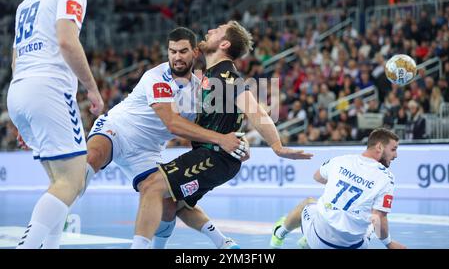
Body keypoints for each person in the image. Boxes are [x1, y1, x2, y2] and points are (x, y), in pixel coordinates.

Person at [132, 20, 314, 249]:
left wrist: (276, 146)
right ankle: (225, 245)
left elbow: (255, 110)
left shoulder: (226, 75)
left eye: (216, 31)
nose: (209, 31)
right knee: (172, 204)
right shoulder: (209, 75)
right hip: (214, 156)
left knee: (151, 186)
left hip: (215, 157)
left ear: (225, 43)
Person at [85, 27, 247, 249]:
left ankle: (221, 242)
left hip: (148, 150)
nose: (177, 57)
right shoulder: (157, 76)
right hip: (118, 129)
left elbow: (210, 126)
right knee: (91, 158)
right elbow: (173, 123)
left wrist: (238, 143)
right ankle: (56, 220)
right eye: (172, 51)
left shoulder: (201, 90)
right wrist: (222, 139)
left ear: (195, 53)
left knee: (169, 202)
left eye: (183, 51)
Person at [7, 0, 104, 249]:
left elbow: (14, 59)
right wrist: (92, 88)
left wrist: (26, 118)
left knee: (61, 182)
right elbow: (66, 40)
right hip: (48, 89)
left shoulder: (28, 0)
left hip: (19, 87)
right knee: (72, 181)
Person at [270, 128, 406, 249]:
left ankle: (279, 234)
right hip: (355, 246)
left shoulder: (341, 160)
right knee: (371, 219)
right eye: (393, 149)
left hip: (319, 239)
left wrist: (341, 181)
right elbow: (379, 218)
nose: (396, 155)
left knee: (309, 202)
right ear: (379, 147)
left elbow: (317, 176)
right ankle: (305, 241)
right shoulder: (387, 178)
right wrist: (389, 244)